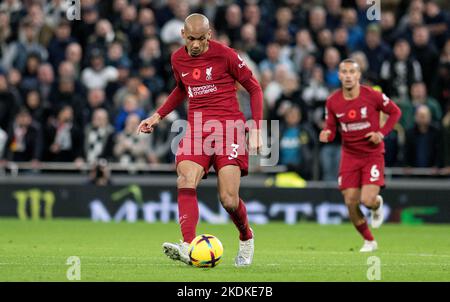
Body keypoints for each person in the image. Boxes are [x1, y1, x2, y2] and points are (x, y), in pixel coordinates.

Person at [137, 14, 263, 267]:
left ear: (210, 35)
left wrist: (257, 128)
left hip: (229, 129)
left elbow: (254, 88)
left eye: (200, 39)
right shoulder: (177, 59)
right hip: (197, 130)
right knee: (185, 179)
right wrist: (157, 115)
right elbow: (183, 88)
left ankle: (246, 236)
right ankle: (188, 245)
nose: (195, 45)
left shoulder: (226, 55)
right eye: (191, 39)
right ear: (183, 34)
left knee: (228, 200)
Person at [319, 59, 401, 252]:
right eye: (344, 72)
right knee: (350, 201)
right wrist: (327, 134)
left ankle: (376, 204)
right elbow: (331, 127)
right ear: (339, 76)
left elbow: (395, 112)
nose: (348, 76)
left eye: (351, 72)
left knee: (367, 200)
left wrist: (381, 133)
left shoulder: (372, 96)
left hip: (372, 154)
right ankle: (369, 240)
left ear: (358, 75)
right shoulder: (332, 101)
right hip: (349, 155)